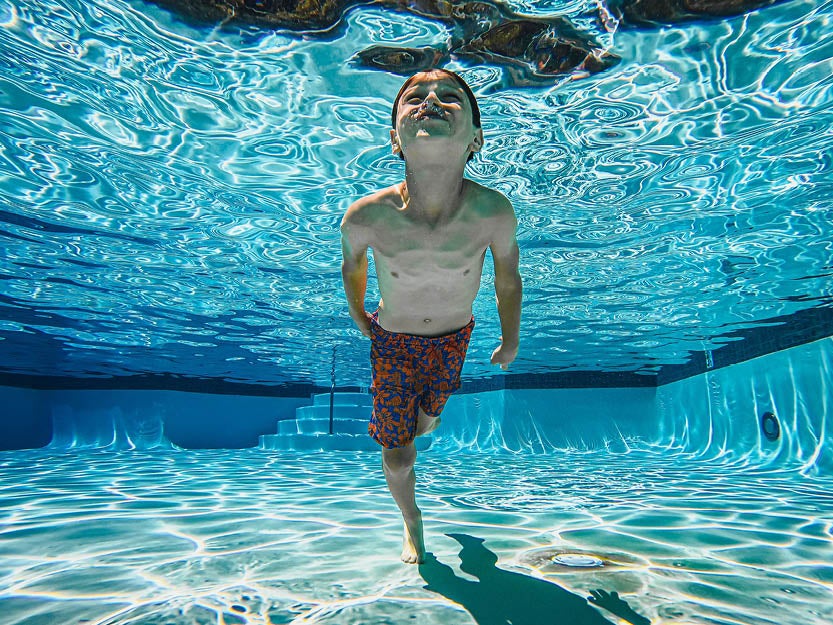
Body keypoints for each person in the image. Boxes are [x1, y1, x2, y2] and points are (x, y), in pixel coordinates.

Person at [340, 69, 522, 564]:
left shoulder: (493, 211)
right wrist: (360, 315)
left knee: (427, 421)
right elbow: (352, 267)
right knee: (399, 454)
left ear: (476, 139)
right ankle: (411, 521)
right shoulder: (365, 216)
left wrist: (511, 339)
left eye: (449, 97)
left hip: (452, 340)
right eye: (414, 97)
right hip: (393, 343)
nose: (431, 102)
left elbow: (507, 279)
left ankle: (428, 414)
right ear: (395, 138)